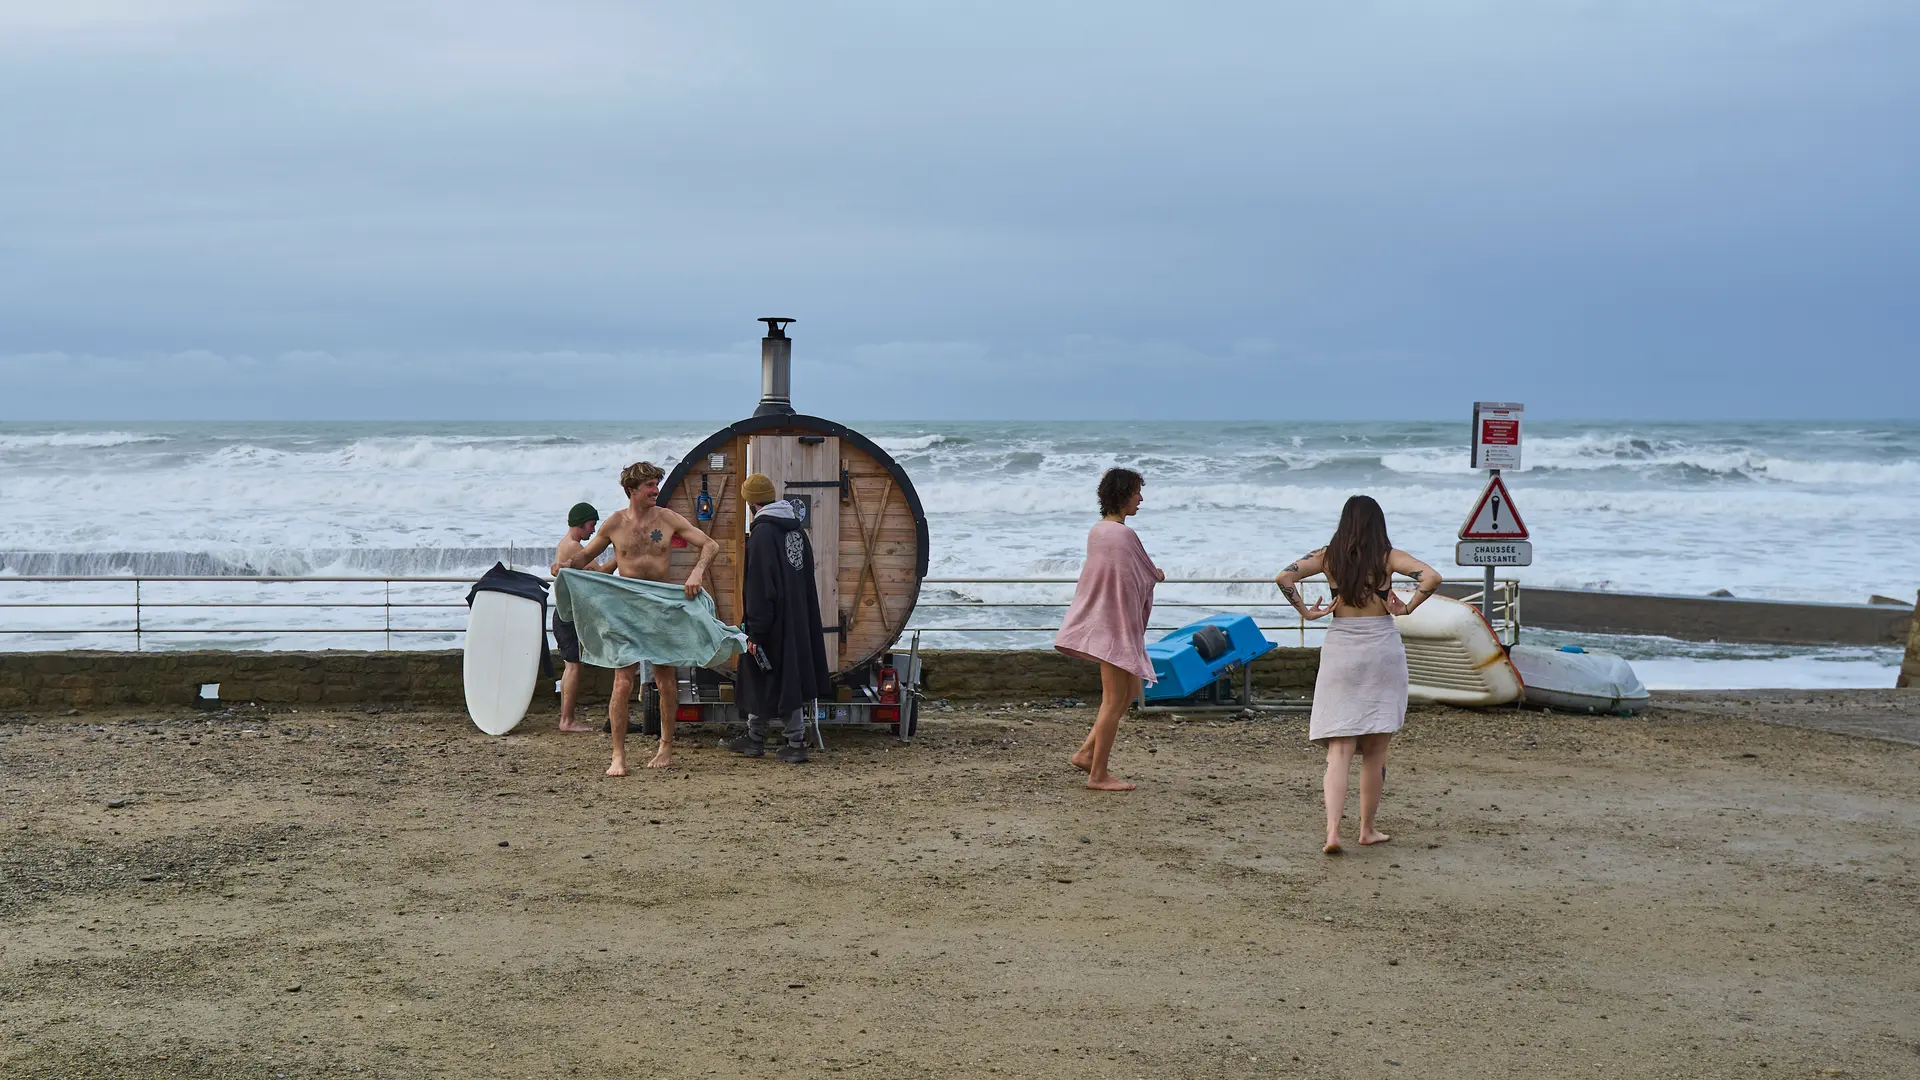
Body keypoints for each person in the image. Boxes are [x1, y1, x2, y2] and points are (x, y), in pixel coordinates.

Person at [1274, 495, 1441, 854]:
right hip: (1382, 649)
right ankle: (1366, 830)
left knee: (1339, 747)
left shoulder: (1328, 556)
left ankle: (1333, 832)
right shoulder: (1388, 556)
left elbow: (1284, 577)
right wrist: (1407, 607)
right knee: (1376, 749)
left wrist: (1306, 612)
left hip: (1342, 648)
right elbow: (1432, 577)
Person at [554, 462, 719, 774]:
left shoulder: (668, 518)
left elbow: (710, 545)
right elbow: (586, 556)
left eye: (657, 484)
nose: (656, 490)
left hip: (660, 606)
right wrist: (564, 565)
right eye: (650, 486)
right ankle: (618, 756)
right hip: (625, 608)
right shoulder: (615, 523)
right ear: (632, 490)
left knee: (665, 679)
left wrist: (697, 572)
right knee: (622, 681)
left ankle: (665, 747)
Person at [1053, 467, 1164, 792]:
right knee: (1114, 701)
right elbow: (1138, 576)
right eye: (1136, 492)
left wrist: (1149, 573)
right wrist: (1157, 574)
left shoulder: (1098, 531)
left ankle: (1086, 754)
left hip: (1105, 621)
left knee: (1129, 692)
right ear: (1122, 494)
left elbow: (1115, 575)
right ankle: (1098, 775)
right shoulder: (1122, 535)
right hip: (1114, 627)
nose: (1140, 499)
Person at [726, 473, 831, 764]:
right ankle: (756, 737)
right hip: (796, 619)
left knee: (768, 674)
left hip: (771, 622)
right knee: (780, 676)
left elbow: (760, 587)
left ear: (751, 504)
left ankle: (794, 742)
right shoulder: (796, 531)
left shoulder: (762, 535)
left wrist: (755, 631)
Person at [551, 501, 616, 733]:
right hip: (567, 616)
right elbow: (602, 574)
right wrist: (621, 554)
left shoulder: (566, 543)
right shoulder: (573, 547)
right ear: (580, 523)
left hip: (566, 613)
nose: (593, 530)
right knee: (573, 667)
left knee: (572, 666)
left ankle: (567, 718)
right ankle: (566, 721)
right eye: (591, 524)